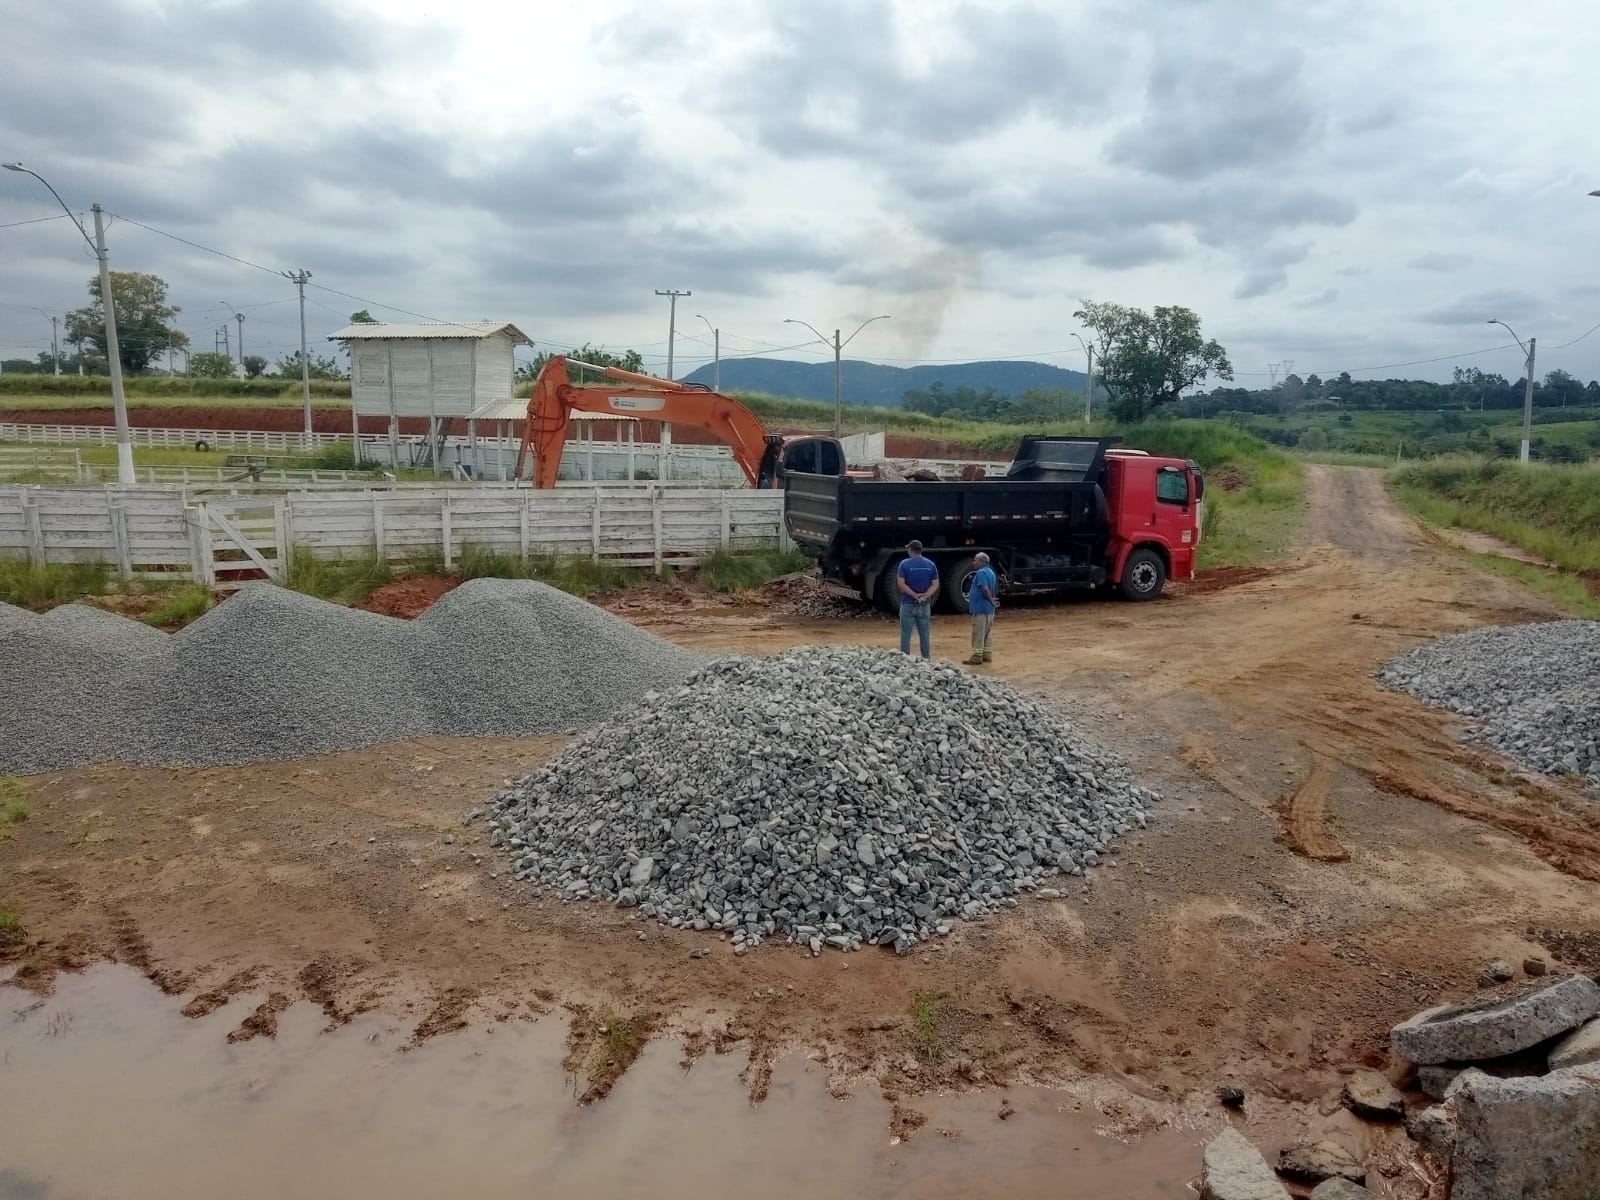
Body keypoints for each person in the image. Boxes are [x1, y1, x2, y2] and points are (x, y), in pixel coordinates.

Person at [896, 540, 939, 658]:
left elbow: (901, 584)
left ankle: (905, 659)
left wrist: (915, 595)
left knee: (906, 633)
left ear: (910, 550)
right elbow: (935, 584)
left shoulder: (904, 564)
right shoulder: (931, 564)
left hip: (908, 603)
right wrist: (925, 596)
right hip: (924, 605)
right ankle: (926, 659)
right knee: (924, 633)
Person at [964, 552, 998, 665]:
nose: (974, 562)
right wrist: (992, 601)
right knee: (987, 634)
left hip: (980, 609)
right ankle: (987, 655)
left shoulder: (981, 573)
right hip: (990, 610)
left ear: (981, 561)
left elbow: (984, 588)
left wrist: (990, 599)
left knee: (978, 633)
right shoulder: (991, 572)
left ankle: (976, 657)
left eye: (975, 560)